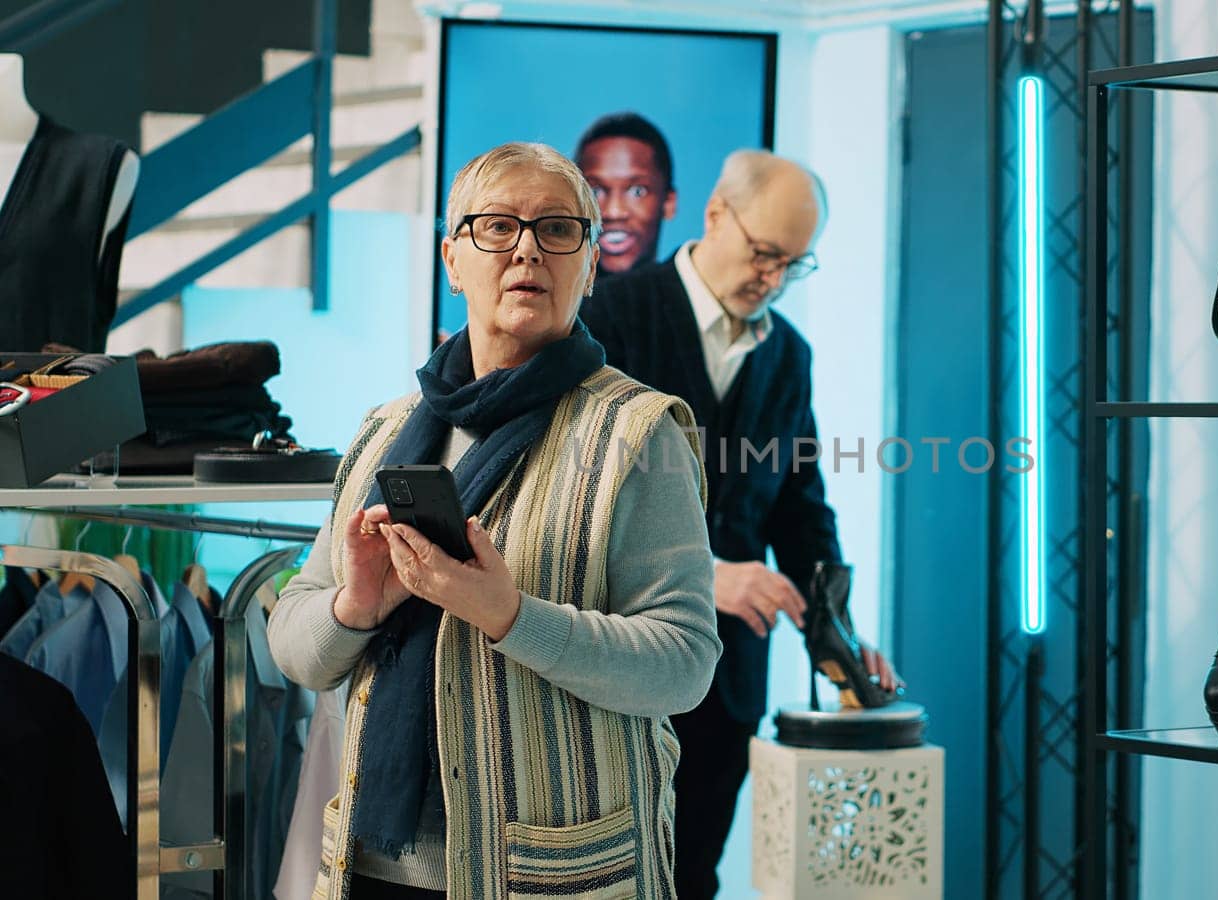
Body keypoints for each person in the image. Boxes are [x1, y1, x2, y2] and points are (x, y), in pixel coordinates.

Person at [267, 141, 719, 900]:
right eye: (497, 227)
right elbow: (295, 644)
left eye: (557, 230)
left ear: (589, 262)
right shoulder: (387, 429)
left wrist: (508, 615)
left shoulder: (640, 434)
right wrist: (355, 607)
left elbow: (684, 662)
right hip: (370, 868)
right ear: (452, 258)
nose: (527, 252)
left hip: (554, 874)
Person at [583, 149, 901, 899]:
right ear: (715, 216)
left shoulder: (789, 354)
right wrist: (708, 576)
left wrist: (838, 631)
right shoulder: (607, 318)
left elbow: (801, 506)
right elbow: (578, 497)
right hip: (614, 665)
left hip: (726, 683)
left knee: (693, 876)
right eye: (765, 254)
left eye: (795, 264)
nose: (775, 278)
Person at [576, 112, 678, 277]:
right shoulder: (548, 298)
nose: (614, 212)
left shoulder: (693, 299)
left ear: (669, 203)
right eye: (595, 191)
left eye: (637, 191)